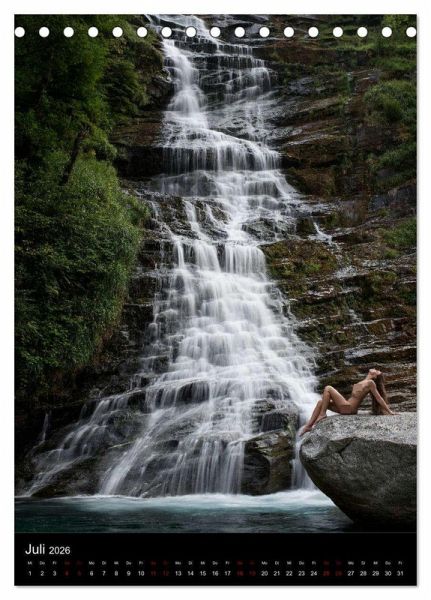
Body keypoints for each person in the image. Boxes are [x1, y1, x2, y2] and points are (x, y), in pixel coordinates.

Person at [300, 369, 395, 436]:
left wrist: (389, 411)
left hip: (349, 408)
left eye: (378, 371)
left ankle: (323, 414)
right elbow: (356, 394)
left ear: (375, 376)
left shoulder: (371, 383)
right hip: (346, 407)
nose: (376, 369)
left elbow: (379, 398)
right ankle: (308, 426)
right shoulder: (364, 381)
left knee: (328, 388)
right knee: (321, 402)